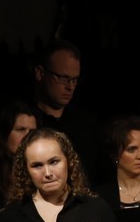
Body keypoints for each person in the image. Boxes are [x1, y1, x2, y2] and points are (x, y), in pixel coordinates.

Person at [32, 39, 105, 185]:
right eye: (63, 78)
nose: (70, 87)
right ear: (40, 73)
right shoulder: (26, 122)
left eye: (74, 80)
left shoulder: (86, 123)